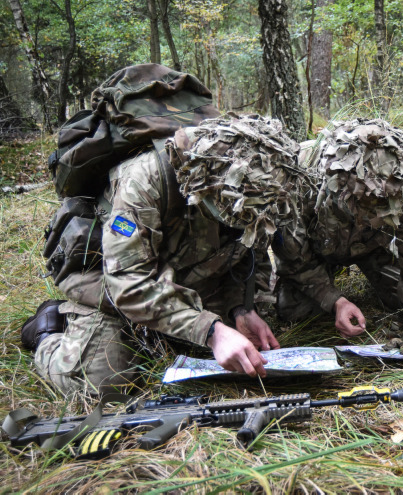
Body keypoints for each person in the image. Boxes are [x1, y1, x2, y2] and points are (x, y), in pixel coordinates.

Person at [22, 113, 306, 395]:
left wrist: (240, 308)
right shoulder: (144, 181)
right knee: (104, 384)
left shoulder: (263, 194)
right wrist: (211, 331)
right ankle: (48, 332)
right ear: (207, 188)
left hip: (185, 272)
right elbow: (128, 283)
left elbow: (243, 257)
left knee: (252, 325)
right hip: (110, 280)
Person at [271, 119, 403, 355]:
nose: (368, 215)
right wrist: (336, 301)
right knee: (293, 310)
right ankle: (330, 276)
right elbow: (293, 256)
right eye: (360, 204)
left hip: (372, 247)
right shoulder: (302, 178)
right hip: (317, 250)